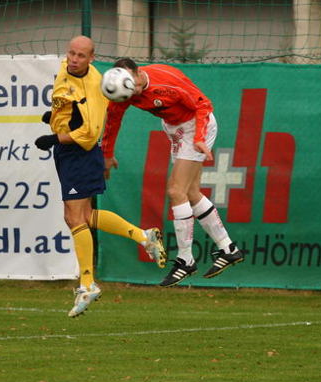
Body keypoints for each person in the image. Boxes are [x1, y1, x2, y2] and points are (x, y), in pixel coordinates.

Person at [34, 37, 166, 317]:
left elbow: (89, 134)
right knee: (84, 216)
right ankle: (143, 236)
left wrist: (54, 136)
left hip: (79, 153)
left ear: (92, 58)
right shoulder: (63, 68)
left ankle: (87, 284)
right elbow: (67, 105)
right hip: (68, 152)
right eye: (71, 53)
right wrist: (56, 116)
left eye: (81, 55)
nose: (74, 59)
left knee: (73, 218)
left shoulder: (94, 89)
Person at [101, 57, 244, 287]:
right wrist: (107, 154)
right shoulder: (124, 90)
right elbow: (113, 120)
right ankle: (228, 248)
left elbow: (203, 105)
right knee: (191, 192)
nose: (133, 95)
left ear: (138, 73)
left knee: (176, 190)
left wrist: (198, 139)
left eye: (134, 87)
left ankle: (185, 259)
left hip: (197, 124)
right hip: (175, 128)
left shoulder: (165, 83)